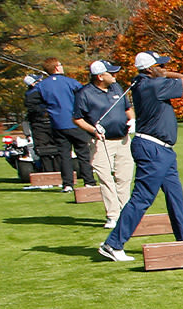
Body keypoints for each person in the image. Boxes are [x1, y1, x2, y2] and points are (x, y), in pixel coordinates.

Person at [98, 52, 183, 262]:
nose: (164, 67)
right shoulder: (154, 85)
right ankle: (113, 244)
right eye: (160, 65)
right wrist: (167, 73)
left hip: (163, 150)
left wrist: (160, 72)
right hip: (153, 149)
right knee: (142, 198)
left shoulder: (146, 83)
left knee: (175, 195)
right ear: (151, 69)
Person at [73, 59, 136, 229]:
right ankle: (113, 216)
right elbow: (77, 118)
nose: (115, 75)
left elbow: (127, 108)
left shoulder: (116, 87)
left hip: (123, 140)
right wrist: (93, 130)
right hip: (101, 142)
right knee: (106, 179)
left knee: (124, 178)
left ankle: (126, 213)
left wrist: (132, 120)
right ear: (100, 76)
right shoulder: (85, 93)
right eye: (112, 73)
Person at [33, 57, 92, 190]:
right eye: (60, 64)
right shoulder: (70, 82)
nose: (62, 66)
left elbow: (33, 100)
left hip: (57, 124)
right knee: (83, 153)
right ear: (56, 68)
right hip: (75, 123)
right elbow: (83, 93)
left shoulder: (41, 85)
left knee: (64, 155)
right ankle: (89, 181)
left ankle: (67, 184)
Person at [22, 74, 63, 186]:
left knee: (57, 149)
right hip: (39, 125)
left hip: (53, 123)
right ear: (33, 83)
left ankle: (59, 176)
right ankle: (49, 178)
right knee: (44, 151)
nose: (41, 81)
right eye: (38, 80)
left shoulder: (46, 91)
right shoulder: (31, 95)